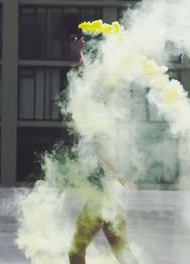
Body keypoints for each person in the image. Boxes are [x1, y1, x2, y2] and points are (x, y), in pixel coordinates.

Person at [68, 37, 139, 264]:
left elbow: (85, 86)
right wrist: (79, 56)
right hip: (110, 197)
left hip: (100, 197)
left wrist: (79, 56)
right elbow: (86, 85)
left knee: (75, 252)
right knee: (122, 252)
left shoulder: (95, 122)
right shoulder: (98, 120)